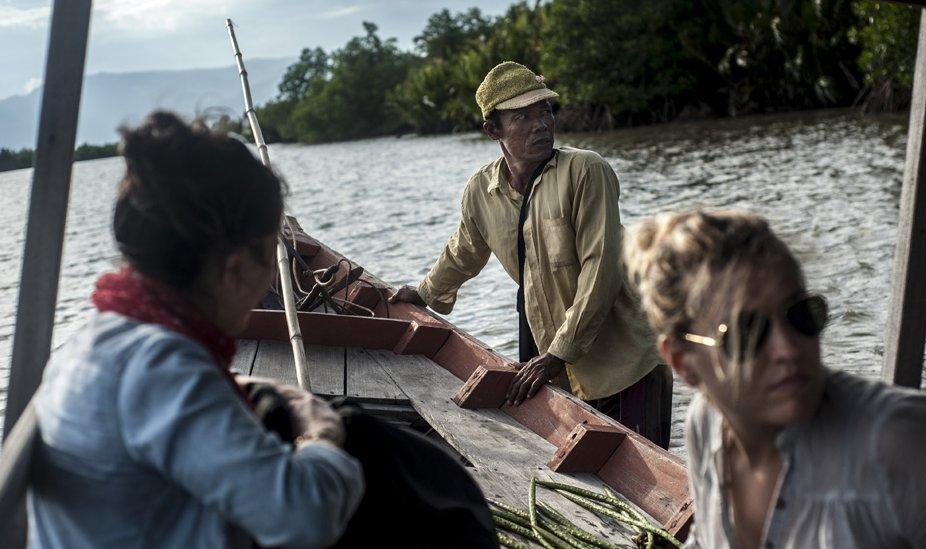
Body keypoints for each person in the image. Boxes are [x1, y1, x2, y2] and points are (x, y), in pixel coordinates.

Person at [28, 112, 364, 548]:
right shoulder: (160, 366)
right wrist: (322, 437)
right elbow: (304, 517)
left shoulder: (97, 338)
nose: (269, 282)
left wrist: (244, 382)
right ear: (236, 268)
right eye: (268, 259)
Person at [622, 210, 926, 548]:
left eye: (801, 314)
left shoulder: (907, 443)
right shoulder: (708, 422)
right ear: (684, 364)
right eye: (748, 332)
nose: (789, 348)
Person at [390, 61, 670, 446]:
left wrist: (556, 353)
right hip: (557, 366)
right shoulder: (481, 191)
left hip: (624, 362)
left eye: (546, 112)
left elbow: (600, 268)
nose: (541, 125)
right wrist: (422, 294)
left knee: (645, 480)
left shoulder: (585, 171)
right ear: (493, 130)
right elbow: (464, 251)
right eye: (523, 117)